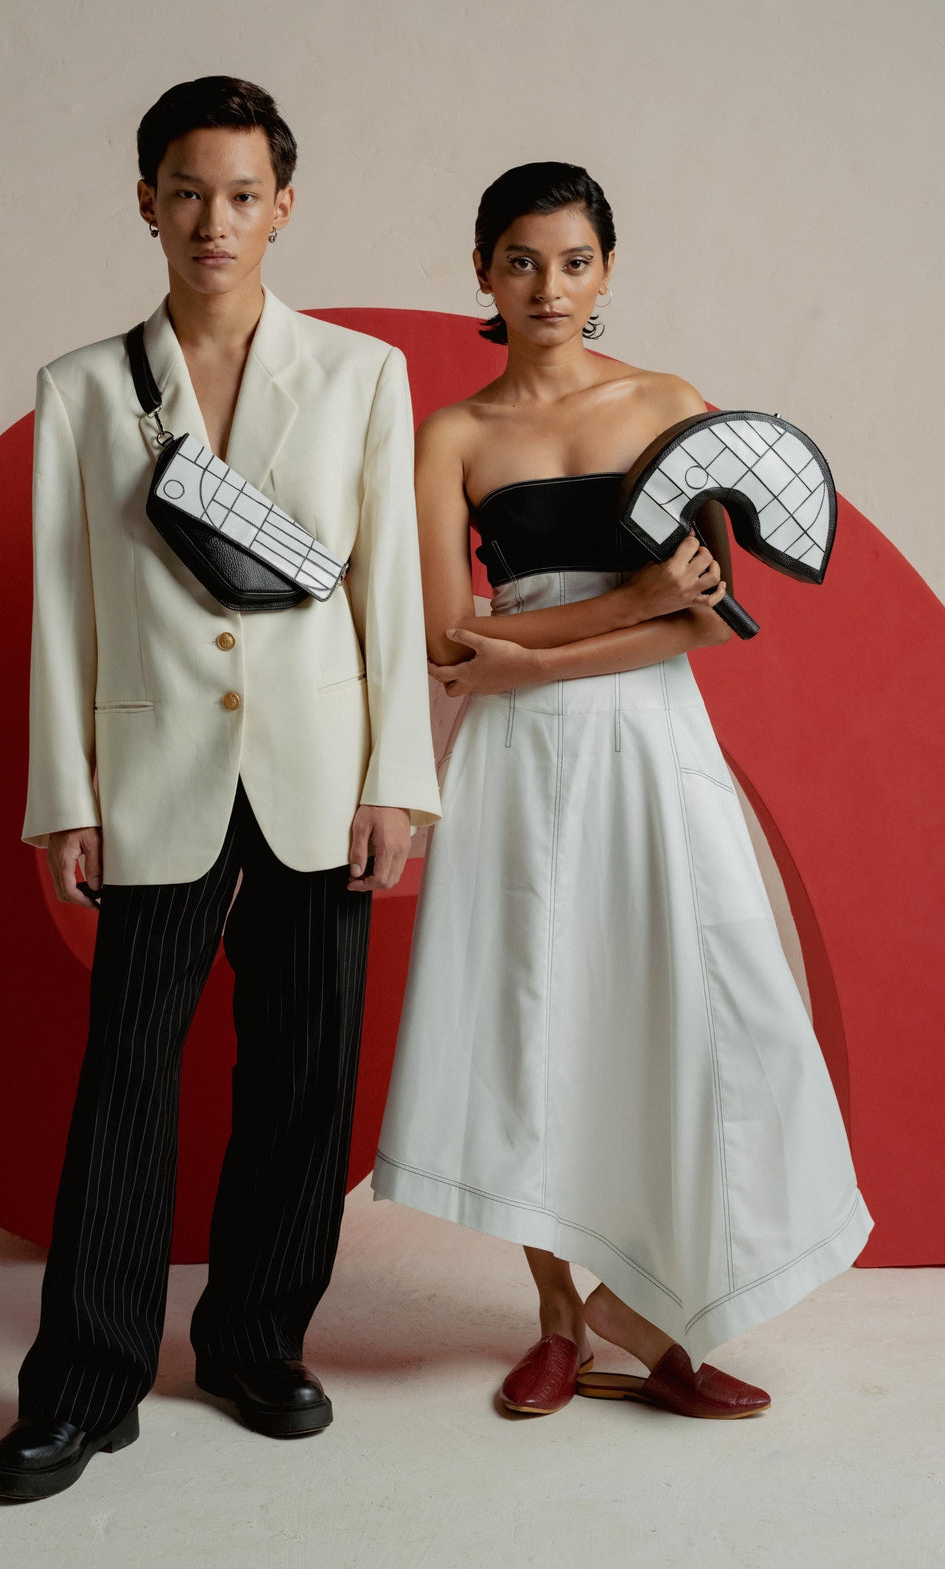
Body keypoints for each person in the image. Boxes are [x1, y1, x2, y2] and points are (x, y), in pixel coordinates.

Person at [0, 76, 440, 1500]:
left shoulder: (361, 375)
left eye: (244, 195)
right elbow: (64, 605)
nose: (215, 220)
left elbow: (385, 593)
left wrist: (398, 779)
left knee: (305, 1078)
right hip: (155, 772)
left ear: (284, 208)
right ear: (146, 204)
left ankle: (253, 1340)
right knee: (127, 1077)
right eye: (188, 192)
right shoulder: (80, 387)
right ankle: (84, 1382)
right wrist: (65, 791)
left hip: (317, 771)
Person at [372, 162, 871, 1420]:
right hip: (520, 771)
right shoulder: (456, 436)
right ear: (482, 271)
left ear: (607, 273)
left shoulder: (670, 405)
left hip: (655, 747)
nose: (550, 285)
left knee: (706, 1010)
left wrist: (565, 636)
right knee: (536, 1020)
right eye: (523, 260)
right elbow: (447, 642)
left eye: (575, 260)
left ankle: (652, 1318)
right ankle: (553, 1324)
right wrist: (620, 608)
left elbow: (701, 625)